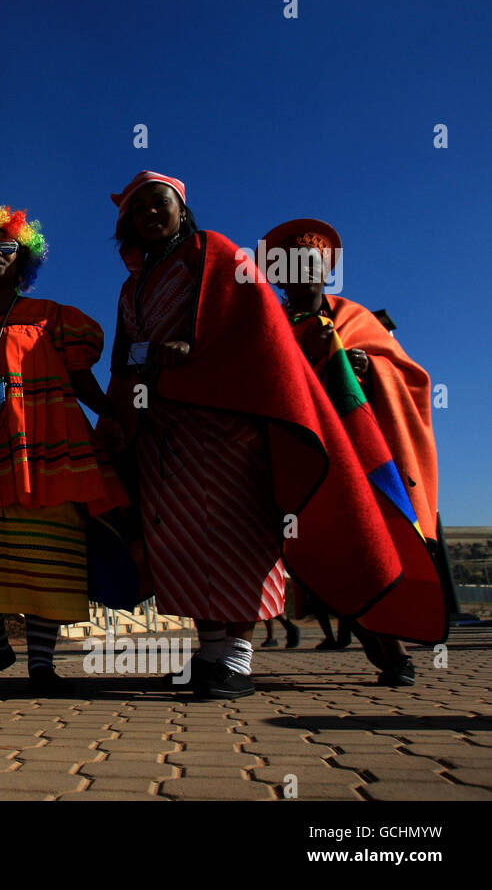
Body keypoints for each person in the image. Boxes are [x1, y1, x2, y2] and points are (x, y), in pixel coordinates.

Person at [101, 171, 430, 699]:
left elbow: (247, 325)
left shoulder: (216, 254)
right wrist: (121, 407)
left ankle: (237, 659)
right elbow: (122, 356)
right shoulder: (131, 286)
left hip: (226, 422)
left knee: (239, 531)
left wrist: (195, 348)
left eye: (160, 204)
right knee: (180, 538)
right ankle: (209, 656)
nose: (150, 215)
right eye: (138, 211)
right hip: (164, 428)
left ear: (182, 211)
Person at [0, 206, 128, 694]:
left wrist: (115, 413)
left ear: (22, 260)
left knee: (49, 557)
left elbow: (81, 379)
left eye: (5, 250)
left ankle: (41, 665)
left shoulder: (54, 317)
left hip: (47, 454)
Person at [265, 217, 446, 685]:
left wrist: (365, 365)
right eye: (291, 265)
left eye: (312, 263)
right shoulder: (270, 325)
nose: (303, 271)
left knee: (371, 541)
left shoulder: (356, 318)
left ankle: (393, 650)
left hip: (361, 457)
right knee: (320, 550)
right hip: (298, 456)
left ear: (326, 271)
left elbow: (411, 376)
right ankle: (373, 640)